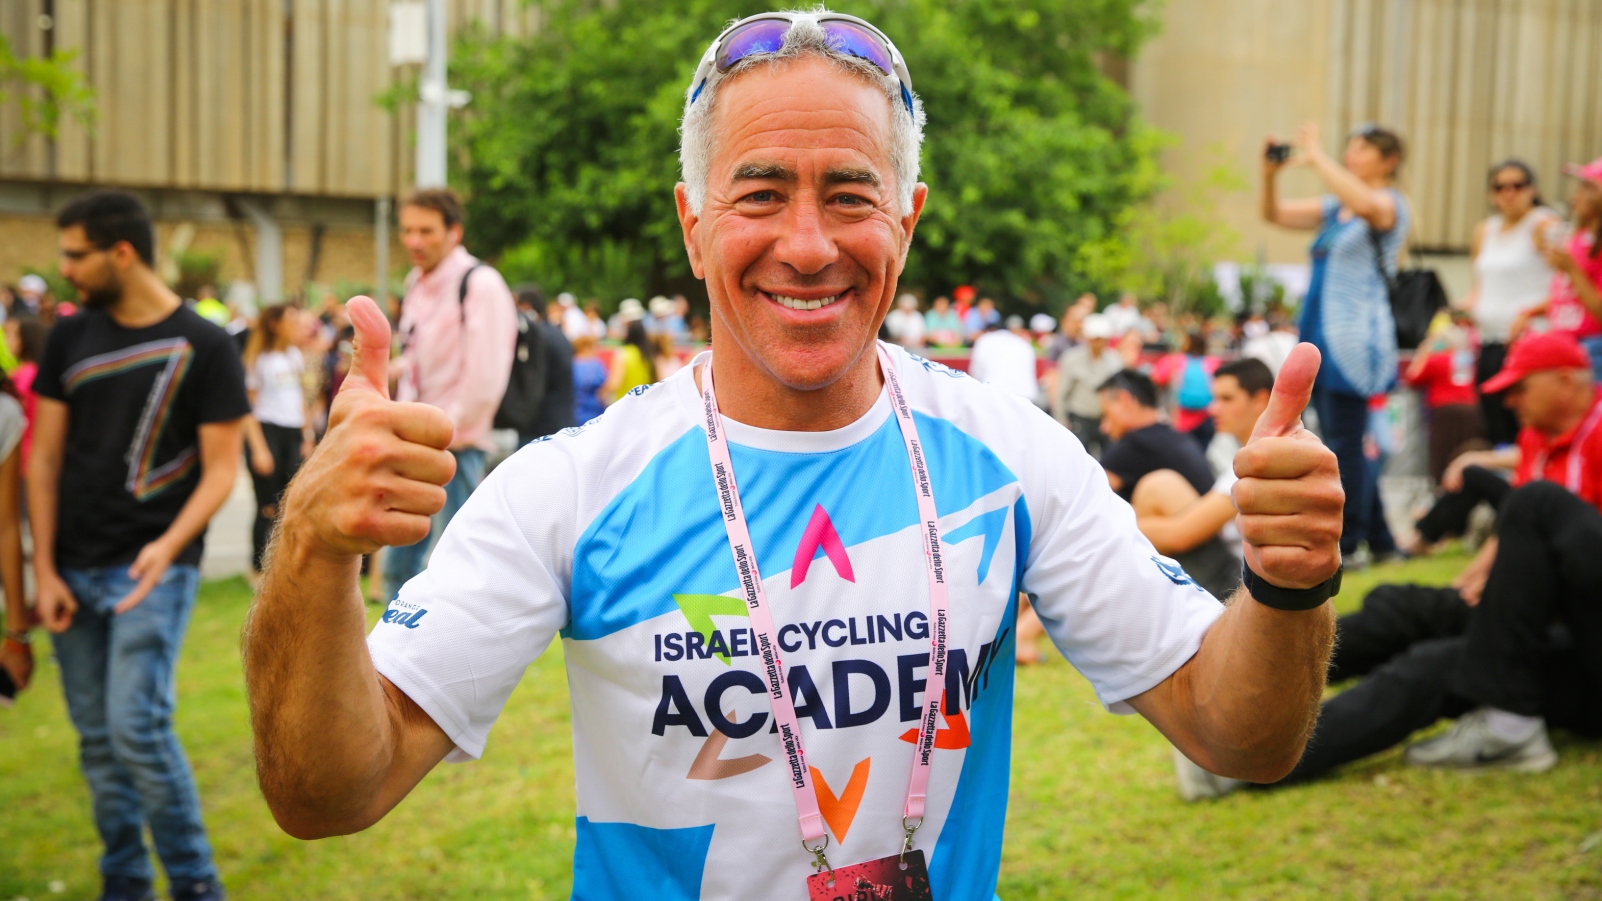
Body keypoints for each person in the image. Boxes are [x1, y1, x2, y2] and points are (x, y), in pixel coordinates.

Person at [243, 11, 1344, 898]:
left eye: (850, 195)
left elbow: (1236, 732)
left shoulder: (1009, 455)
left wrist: (1288, 584)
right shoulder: (575, 486)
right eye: (761, 193)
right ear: (692, 222)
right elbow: (330, 789)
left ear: (905, 223)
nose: (808, 244)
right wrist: (309, 546)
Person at [1178, 331, 1602, 798]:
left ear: (1566, 380)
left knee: (1435, 665)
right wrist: (1496, 572)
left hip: (1580, 635)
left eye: (1521, 386)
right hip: (1536, 608)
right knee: (1398, 608)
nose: (1510, 399)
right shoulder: (1539, 439)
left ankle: (1239, 764)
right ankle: (1236, 680)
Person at [32, 191, 244, 901]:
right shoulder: (68, 336)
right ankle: (123, 879)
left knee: (137, 728)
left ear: (121, 251)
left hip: (154, 570)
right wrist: (42, 568)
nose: (64, 269)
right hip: (71, 569)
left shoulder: (207, 345)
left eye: (75, 253)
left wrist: (168, 545)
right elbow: (44, 459)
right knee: (97, 738)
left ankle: (194, 882)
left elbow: (222, 469)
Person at [1263, 121, 1409, 560]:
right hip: (1319, 334)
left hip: (1354, 342)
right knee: (1342, 438)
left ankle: (1349, 541)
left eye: (1363, 149)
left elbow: (1366, 204)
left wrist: (1317, 156)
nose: (1353, 154)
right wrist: (1269, 174)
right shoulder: (1333, 208)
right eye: (1351, 147)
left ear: (1389, 160)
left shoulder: (1389, 203)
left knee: (1345, 443)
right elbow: (1274, 214)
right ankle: (1382, 542)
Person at [381, 188, 517, 599]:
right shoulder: (416, 284)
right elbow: (419, 357)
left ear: (454, 232)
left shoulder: (480, 283)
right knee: (398, 570)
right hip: (413, 442)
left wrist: (444, 435)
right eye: (407, 230)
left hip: (454, 448)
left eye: (426, 230)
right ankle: (389, 661)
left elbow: (486, 376)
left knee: (446, 579)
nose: (414, 241)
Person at [1465, 160, 1559, 446]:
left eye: (1517, 185)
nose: (1509, 193)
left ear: (1532, 189)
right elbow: (1480, 288)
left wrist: (1532, 311)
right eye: (1500, 187)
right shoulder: (1485, 230)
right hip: (1491, 340)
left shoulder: (1544, 224)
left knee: (1524, 424)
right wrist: (1462, 310)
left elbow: (1569, 287)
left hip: (1529, 343)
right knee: (1493, 419)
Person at [1516, 157, 1602, 382]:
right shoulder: (1579, 238)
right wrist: (1530, 312)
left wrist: (1571, 269)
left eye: (1588, 187)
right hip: (1565, 343)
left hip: (1592, 346)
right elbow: (1569, 297)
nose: (1576, 196)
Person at [242, 304, 313, 577]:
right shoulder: (259, 359)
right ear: (275, 324)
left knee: (291, 503)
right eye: (291, 320)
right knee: (268, 506)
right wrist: (259, 448)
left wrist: (306, 436)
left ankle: (285, 566)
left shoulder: (294, 355)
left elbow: (301, 399)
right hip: (267, 430)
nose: (297, 324)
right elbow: (247, 409)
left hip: (292, 433)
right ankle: (258, 569)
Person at [1097, 369, 1216, 502]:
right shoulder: (1178, 437)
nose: (1104, 428)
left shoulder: (1136, 444)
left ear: (1125, 400)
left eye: (1106, 415)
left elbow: (1091, 497)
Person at [1402, 312, 1485, 483]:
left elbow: (1411, 378)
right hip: (1470, 410)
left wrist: (1424, 352)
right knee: (1465, 452)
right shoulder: (1467, 359)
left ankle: (1442, 489)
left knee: (1442, 454)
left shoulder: (1436, 359)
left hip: (1444, 411)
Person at [499, 286, 576, 447]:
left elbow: (530, 382)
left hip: (539, 429)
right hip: (561, 421)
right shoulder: (556, 333)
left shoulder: (537, 338)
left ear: (526, 307)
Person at [1051, 312, 1124, 457]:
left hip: (1105, 419)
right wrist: (1061, 420)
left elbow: (1117, 393)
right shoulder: (1072, 359)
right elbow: (1062, 393)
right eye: (1094, 339)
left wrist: (1113, 419)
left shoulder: (1115, 360)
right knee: (1078, 458)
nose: (1097, 343)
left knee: (1109, 458)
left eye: (1101, 339)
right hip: (1080, 418)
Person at [1151, 331, 1220, 450]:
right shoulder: (1212, 362)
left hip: (1181, 419)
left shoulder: (1176, 360)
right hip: (1207, 417)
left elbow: (1156, 377)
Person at [968, 315, 1039, 403]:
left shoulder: (984, 339)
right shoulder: (1022, 342)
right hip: (1027, 396)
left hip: (997, 396)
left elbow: (975, 373)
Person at [7, 315, 45, 475]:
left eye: (12, 335)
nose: (8, 341)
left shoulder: (18, 378)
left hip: (18, 459)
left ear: (25, 339)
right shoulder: (43, 373)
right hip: (39, 458)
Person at [606, 318, 657, 400]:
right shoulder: (649, 354)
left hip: (623, 403)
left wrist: (602, 391)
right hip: (644, 402)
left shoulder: (621, 353)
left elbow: (615, 383)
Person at [570, 334, 608, 425]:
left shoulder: (569, 365)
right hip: (594, 412)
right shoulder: (596, 365)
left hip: (573, 411)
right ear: (586, 348)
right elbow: (604, 387)